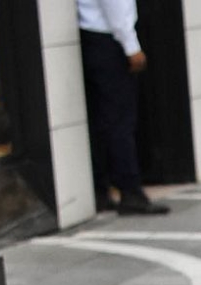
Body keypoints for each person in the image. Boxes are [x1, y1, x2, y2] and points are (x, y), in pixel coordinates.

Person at [77, 0, 169, 214]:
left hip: (93, 37)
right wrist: (132, 47)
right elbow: (116, 8)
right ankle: (130, 191)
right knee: (119, 120)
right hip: (108, 40)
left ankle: (102, 189)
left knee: (102, 119)